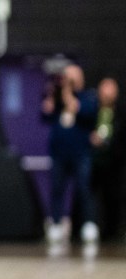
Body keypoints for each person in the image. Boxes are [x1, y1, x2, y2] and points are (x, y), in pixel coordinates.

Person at [41, 63, 99, 246]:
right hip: (59, 153)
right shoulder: (57, 99)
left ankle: (88, 224)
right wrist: (51, 97)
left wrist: (67, 93)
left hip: (80, 153)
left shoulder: (88, 97)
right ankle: (56, 224)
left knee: (84, 189)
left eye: (71, 76)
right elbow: (45, 115)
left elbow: (79, 110)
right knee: (57, 189)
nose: (67, 80)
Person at [91, 77, 124, 239]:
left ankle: (112, 231)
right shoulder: (93, 109)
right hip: (95, 161)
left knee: (113, 197)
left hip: (114, 161)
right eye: (105, 89)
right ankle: (89, 227)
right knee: (91, 194)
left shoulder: (120, 112)